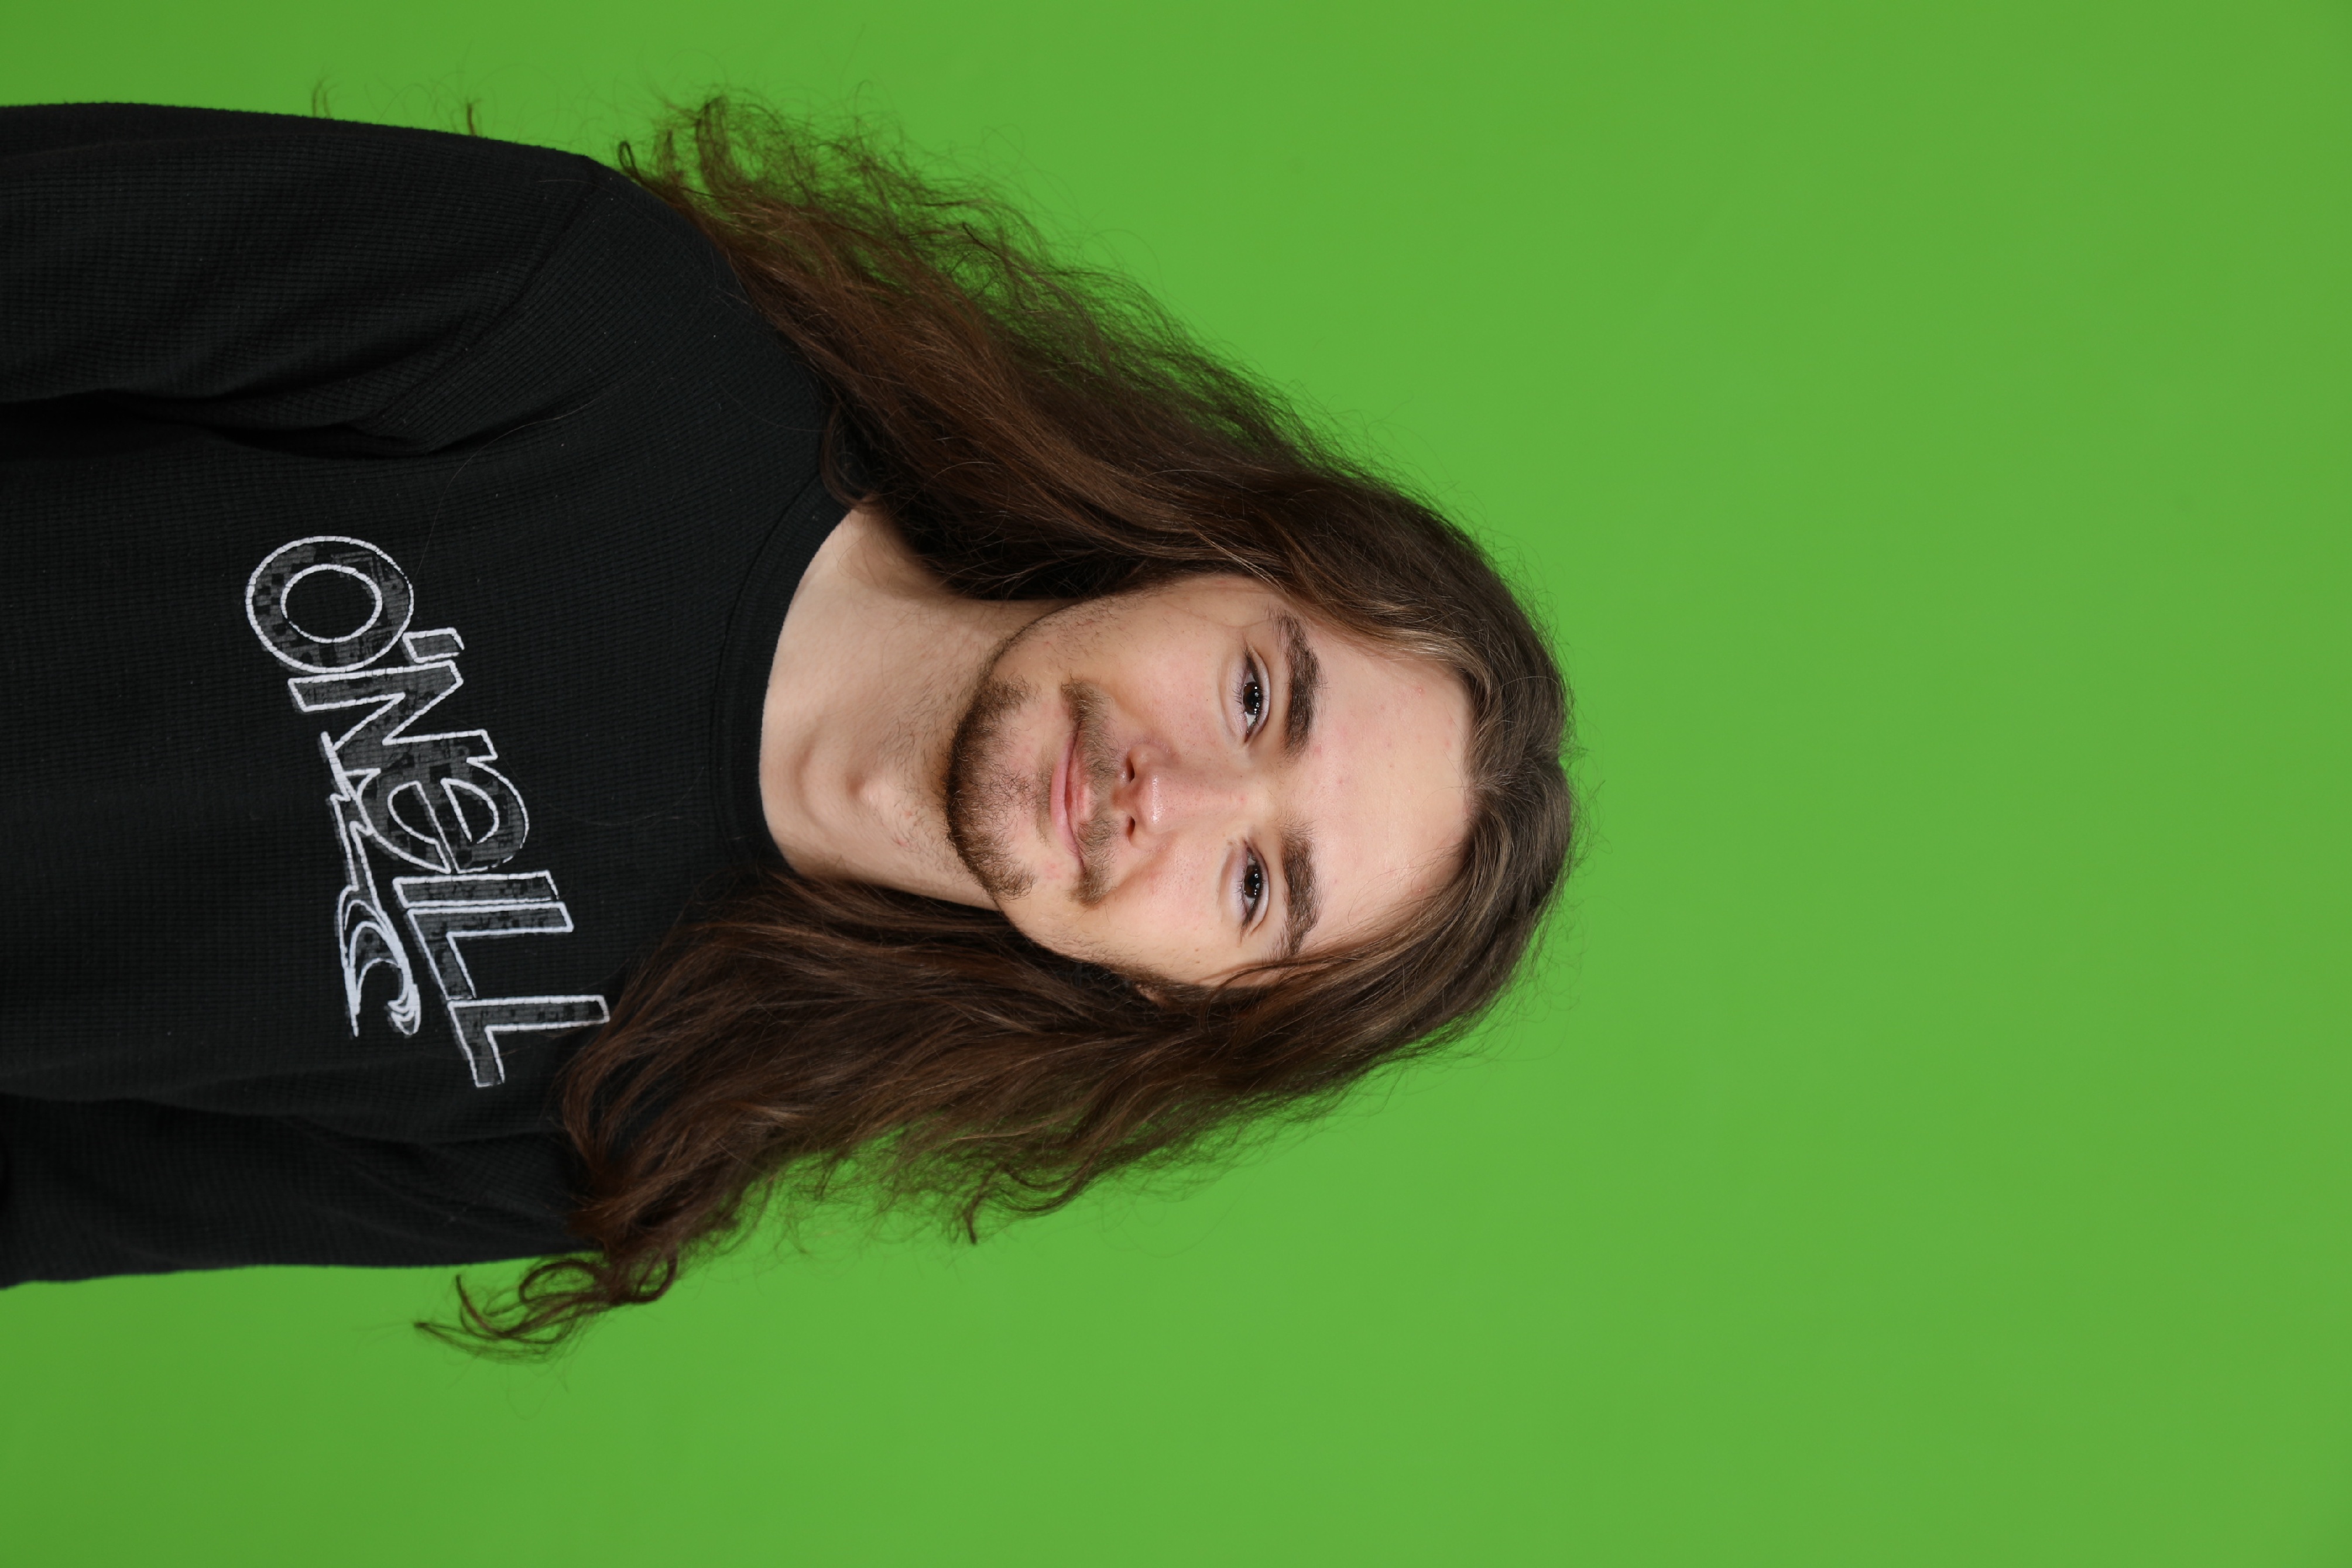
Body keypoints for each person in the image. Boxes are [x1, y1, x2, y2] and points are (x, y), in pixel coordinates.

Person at [0, 99, 1573, 1349]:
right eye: (1256, 696)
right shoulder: (596, 325)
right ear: (1202, 554)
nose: (1174, 793)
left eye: (1257, 884)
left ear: (1179, 998)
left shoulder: (632, 1122)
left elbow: (41, 1197)